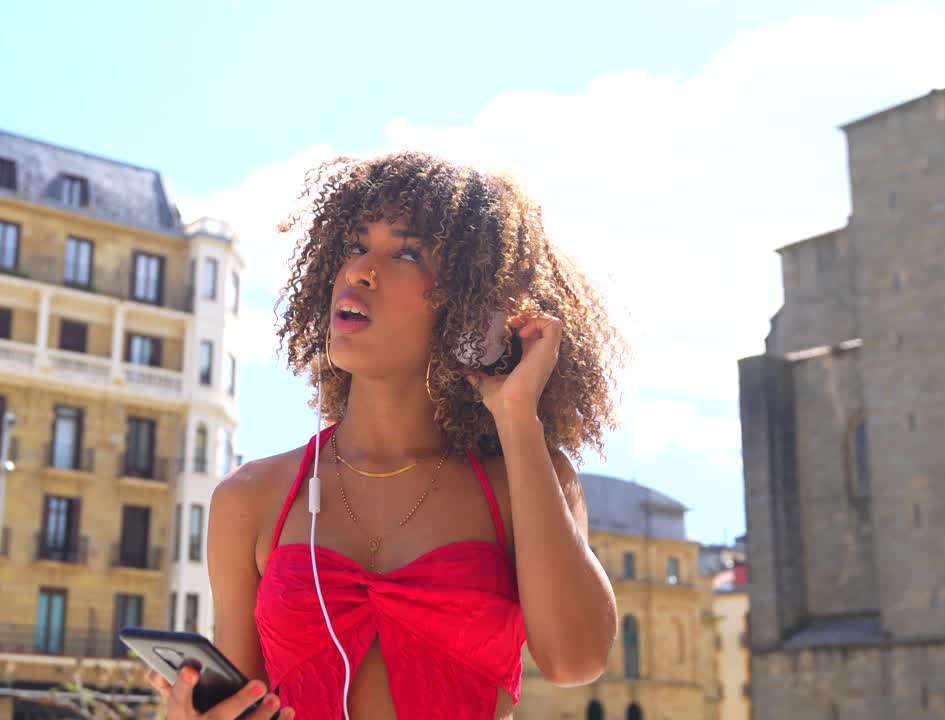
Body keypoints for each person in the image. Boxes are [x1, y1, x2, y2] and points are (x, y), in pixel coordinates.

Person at [150, 151, 626, 719]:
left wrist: (517, 415)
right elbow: (244, 704)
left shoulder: (524, 477)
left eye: (406, 253)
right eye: (354, 246)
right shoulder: (250, 498)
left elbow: (576, 660)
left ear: (473, 304)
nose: (361, 270)